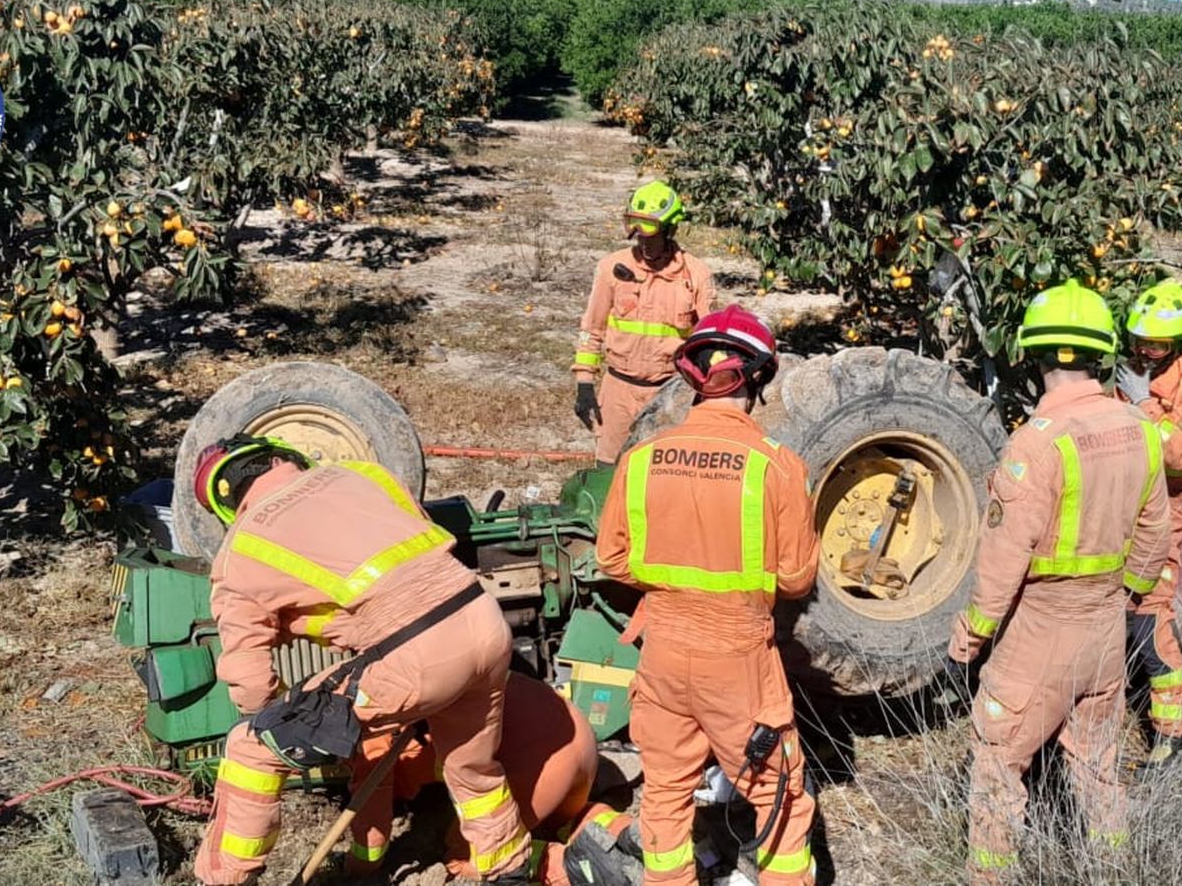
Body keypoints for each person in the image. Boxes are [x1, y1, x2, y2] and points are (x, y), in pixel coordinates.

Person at [190, 436, 528, 885]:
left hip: (415, 655)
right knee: (472, 769)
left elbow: (250, 684)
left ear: (225, 503)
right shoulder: (364, 474)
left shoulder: (241, 550)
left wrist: (286, 720)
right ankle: (510, 871)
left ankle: (228, 878)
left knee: (249, 748)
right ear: (281, 457)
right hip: (485, 623)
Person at [948, 280, 1171, 883]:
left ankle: (991, 876)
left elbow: (1004, 557)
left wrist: (970, 638)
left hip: (1040, 630)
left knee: (998, 764)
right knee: (1098, 767)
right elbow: (1156, 535)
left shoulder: (1037, 443)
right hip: (1106, 629)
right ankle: (1114, 871)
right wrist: (1124, 596)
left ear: (1033, 352)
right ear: (1102, 354)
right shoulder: (1141, 429)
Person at [594, 305, 820, 885]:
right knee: (777, 795)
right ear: (759, 377)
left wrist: (676, 579)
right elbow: (797, 579)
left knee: (666, 791)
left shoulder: (641, 459)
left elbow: (611, 558)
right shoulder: (777, 466)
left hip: (663, 653)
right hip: (738, 659)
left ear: (692, 375)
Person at [344, 670, 640, 885]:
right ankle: (624, 833)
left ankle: (567, 868)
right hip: (578, 741)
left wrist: (355, 868)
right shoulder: (392, 678)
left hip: (537, 763)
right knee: (559, 821)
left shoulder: (368, 728)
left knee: (467, 853)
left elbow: (372, 830)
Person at [1114, 280, 1182, 772]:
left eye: (1155, 345)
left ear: (1179, 345)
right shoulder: (1128, 376)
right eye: (1139, 341)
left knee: (1149, 622)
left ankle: (1173, 732)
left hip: (1157, 518)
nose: (1144, 352)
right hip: (1112, 511)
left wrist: (1142, 405)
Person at [573, 180, 715, 466]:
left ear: (669, 230)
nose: (644, 243)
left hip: (670, 392)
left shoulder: (696, 275)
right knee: (609, 468)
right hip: (618, 390)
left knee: (662, 471)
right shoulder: (611, 268)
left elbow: (709, 339)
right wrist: (584, 383)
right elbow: (592, 328)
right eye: (637, 232)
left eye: (651, 234)